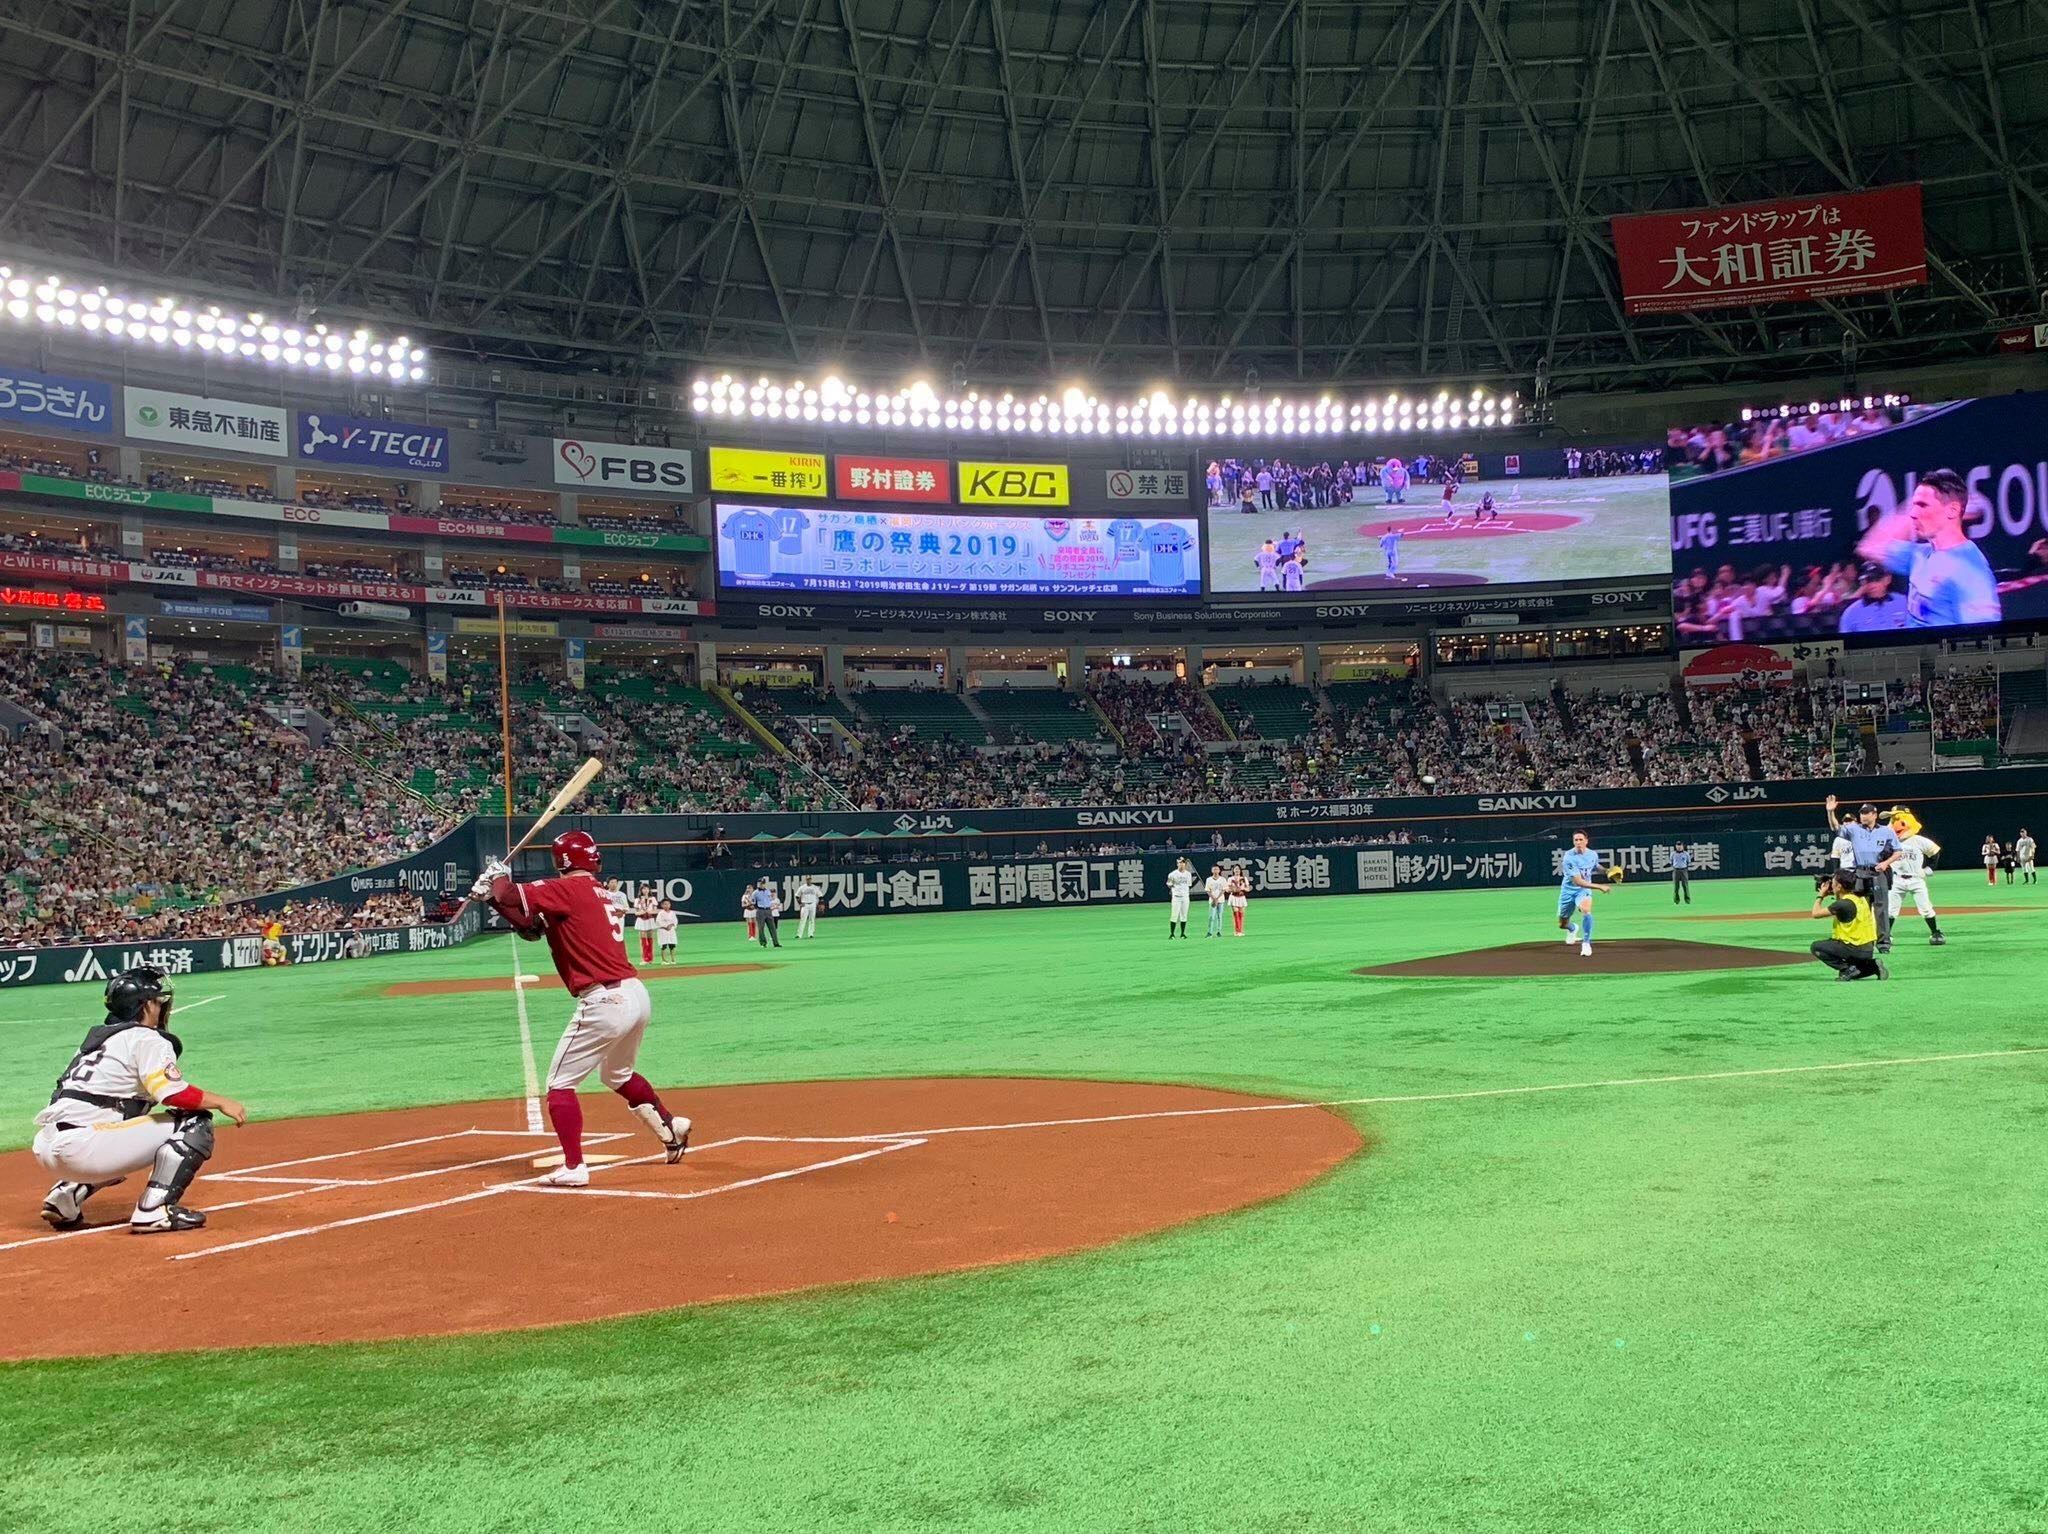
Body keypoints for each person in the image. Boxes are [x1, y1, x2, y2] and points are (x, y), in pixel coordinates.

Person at [478, 830, 689, 1187]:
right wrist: (494, 900)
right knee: (617, 1075)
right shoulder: (597, 892)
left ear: (560, 861)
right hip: (635, 994)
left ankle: (574, 1167)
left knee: (559, 1084)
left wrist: (497, 876)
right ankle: (671, 1127)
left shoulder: (568, 889)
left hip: (604, 1000)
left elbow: (511, 892)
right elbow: (531, 928)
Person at [32, 966, 248, 1234]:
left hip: (47, 1145)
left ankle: (65, 1196)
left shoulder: (100, 1040)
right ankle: (154, 1211)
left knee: (126, 1120)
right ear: (144, 1006)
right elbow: (173, 1094)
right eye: (157, 1000)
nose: (162, 1006)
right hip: (84, 1150)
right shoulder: (148, 1039)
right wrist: (222, 1102)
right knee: (194, 1122)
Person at [1855, 468, 2002, 629]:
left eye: (1923, 505)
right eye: (1914, 505)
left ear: (1952, 510)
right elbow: (1869, 546)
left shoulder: (1971, 571)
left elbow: (1983, 643)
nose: (1912, 513)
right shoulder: (1919, 554)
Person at [1825, 795, 1902, 953]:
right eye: (1861, 813)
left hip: (1878, 872)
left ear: (1874, 814)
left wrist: (1886, 863)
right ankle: (1864, 941)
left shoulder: (1887, 831)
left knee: (1881, 909)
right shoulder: (1854, 829)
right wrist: (1830, 812)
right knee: (1861, 908)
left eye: (1866, 813)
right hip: (1860, 872)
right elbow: (1836, 828)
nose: (1863, 815)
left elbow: (1898, 852)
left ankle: (1884, 944)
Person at [1810, 871, 1887, 981]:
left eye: (1833, 882)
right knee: (1855, 971)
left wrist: (1821, 895)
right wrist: (1836, 893)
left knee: (1816, 947)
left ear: (1839, 886)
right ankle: (1873, 966)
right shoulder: (1860, 898)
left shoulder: (1843, 904)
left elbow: (1815, 914)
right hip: (1868, 949)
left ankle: (1846, 969)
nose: (1831, 884)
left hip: (1852, 948)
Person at [1885, 808, 1946, 946]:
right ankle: (1887, 935)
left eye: (1896, 819)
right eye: (1892, 820)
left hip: (1916, 879)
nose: (1893, 823)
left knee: (1925, 907)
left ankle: (1936, 932)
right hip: (1896, 879)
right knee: (1891, 909)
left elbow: (1935, 853)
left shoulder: (1918, 840)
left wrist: (1928, 870)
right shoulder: (1889, 841)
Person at [1556, 830, 1612, 957]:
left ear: (1586, 841)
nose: (1578, 842)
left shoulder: (1592, 854)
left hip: (1584, 891)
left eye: (1581, 839)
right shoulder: (1569, 858)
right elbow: (1578, 881)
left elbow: (1596, 866)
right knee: (1562, 924)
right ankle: (1572, 929)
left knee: (1586, 910)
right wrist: (1599, 886)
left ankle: (1586, 943)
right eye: (1576, 840)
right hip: (1569, 891)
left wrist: (1608, 871)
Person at [1836, 564, 1909, 633]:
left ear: (1887, 579)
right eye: (1868, 581)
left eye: (1877, 579)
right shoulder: (1851, 612)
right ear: (1862, 583)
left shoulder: (1904, 601)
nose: (1872, 585)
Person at [1166, 857, 1194, 940]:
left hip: (1185, 896)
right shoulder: (1172, 874)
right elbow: (1169, 884)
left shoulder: (1188, 874)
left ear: (1185, 864)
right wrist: (1173, 888)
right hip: (1176, 897)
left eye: (1183, 862)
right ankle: (1172, 934)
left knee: (1184, 915)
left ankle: (1182, 934)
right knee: (1174, 915)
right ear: (1177, 864)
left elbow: (1188, 884)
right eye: (1180, 862)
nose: (1181, 864)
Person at [750, 877, 782, 948]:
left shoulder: (768, 891)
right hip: (760, 910)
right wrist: (758, 908)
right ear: (758, 884)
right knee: (761, 928)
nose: (762, 885)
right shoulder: (755, 893)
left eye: (763, 883)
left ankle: (776, 943)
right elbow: (753, 902)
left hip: (768, 910)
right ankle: (763, 943)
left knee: (772, 927)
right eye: (761, 883)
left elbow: (770, 900)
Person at [633, 889, 658, 964]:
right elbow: (636, 913)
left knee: (650, 940)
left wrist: (650, 912)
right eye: (644, 889)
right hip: (641, 920)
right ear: (641, 890)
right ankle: (644, 958)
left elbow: (655, 911)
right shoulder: (637, 900)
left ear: (649, 890)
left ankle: (650, 959)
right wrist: (641, 912)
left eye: (647, 888)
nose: (645, 890)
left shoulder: (652, 899)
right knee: (643, 941)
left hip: (650, 920)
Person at [1204, 863, 1228, 938]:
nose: (1215, 870)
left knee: (1219, 916)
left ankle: (1219, 931)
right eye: (1214, 869)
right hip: (1212, 900)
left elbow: (1224, 890)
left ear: (1219, 870)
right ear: (1212, 870)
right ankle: (1210, 932)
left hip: (1220, 900)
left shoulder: (1223, 879)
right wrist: (1214, 899)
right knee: (1211, 916)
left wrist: (1217, 898)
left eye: (1217, 869)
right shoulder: (1209, 879)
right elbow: (1208, 890)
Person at [653, 899, 680, 965]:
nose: (667, 905)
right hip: (663, 931)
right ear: (662, 905)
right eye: (665, 904)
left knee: (672, 945)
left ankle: (673, 959)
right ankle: (664, 960)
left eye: (668, 904)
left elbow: (675, 921)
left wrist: (671, 925)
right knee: (663, 945)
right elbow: (658, 922)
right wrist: (665, 926)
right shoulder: (661, 913)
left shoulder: (672, 913)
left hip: (671, 931)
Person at [1227, 867, 1249, 936]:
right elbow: (1227, 889)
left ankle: (1240, 930)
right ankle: (1237, 931)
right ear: (1233, 870)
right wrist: (1232, 889)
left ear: (1240, 870)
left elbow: (1248, 889)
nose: (1237, 870)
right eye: (1235, 869)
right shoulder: (1230, 879)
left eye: (1238, 869)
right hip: (1233, 897)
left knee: (1241, 914)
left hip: (1241, 897)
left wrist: (1243, 888)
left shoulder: (1244, 878)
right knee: (1236, 914)